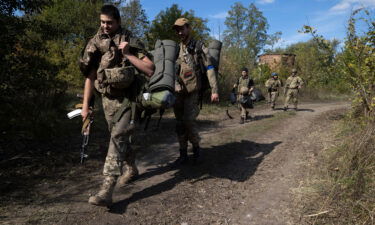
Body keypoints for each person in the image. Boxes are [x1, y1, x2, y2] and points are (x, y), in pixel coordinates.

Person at [79, 4, 154, 207]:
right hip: (107, 101)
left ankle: (106, 189)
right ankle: (132, 168)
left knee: (118, 137)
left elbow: (149, 69)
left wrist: (128, 54)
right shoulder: (94, 43)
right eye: (102, 22)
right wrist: (86, 106)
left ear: (118, 22)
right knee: (119, 138)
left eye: (109, 22)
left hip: (129, 100)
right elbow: (90, 76)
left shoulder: (130, 39)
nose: (105, 26)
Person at [172, 18, 219, 165]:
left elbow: (210, 68)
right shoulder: (175, 49)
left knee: (189, 122)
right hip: (178, 93)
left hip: (193, 92)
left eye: (182, 29)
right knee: (179, 124)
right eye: (177, 30)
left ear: (188, 28)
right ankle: (183, 154)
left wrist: (214, 90)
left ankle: (197, 150)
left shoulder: (199, 46)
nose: (180, 32)